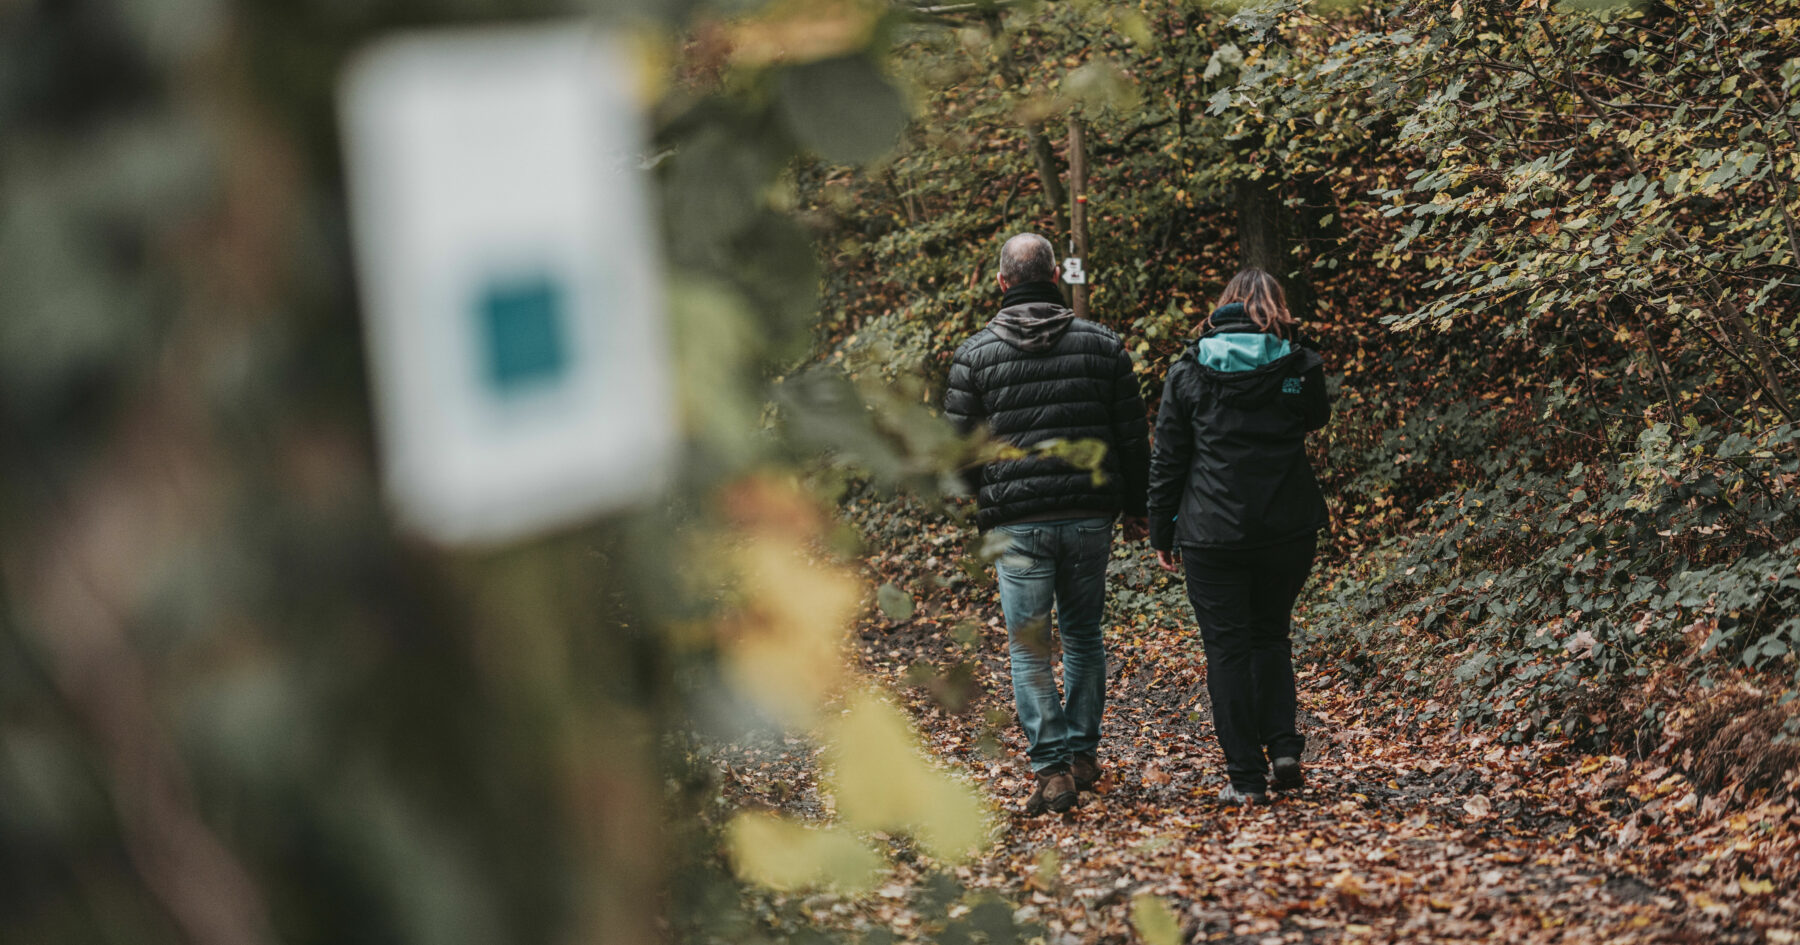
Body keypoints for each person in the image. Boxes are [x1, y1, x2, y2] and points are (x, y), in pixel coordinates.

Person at [943, 232, 1151, 815]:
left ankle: (1053, 769)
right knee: (1084, 635)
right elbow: (1133, 438)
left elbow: (957, 449)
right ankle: (1083, 754)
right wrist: (1139, 506)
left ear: (1002, 283)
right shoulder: (1104, 346)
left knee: (1029, 650)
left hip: (1017, 525)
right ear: (1055, 276)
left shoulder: (974, 354)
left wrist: (974, 497)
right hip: (1088, 516)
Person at [1146, 268, 1330, 805]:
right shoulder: (1300, 364)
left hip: (1212, 532)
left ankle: (1247, 780)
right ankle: (1284, 747)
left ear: (1222, 308)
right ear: (1277, 309)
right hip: (1287, 528)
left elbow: (1169, 458)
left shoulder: (1188, 371)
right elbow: (1315, 418)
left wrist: (1162, 529)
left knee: (1227, 650)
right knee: (1270, 635)